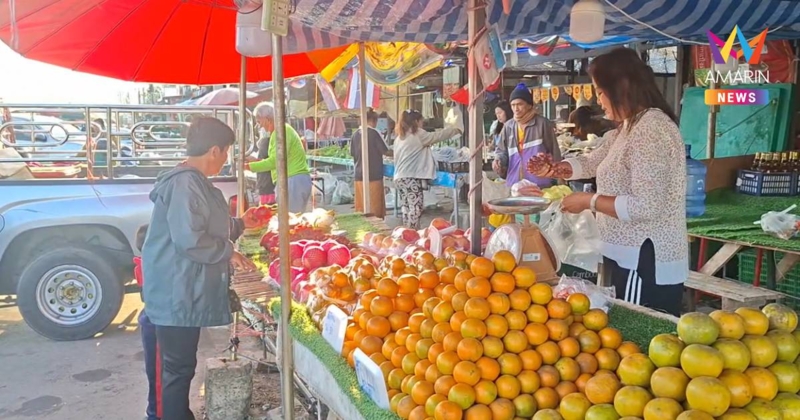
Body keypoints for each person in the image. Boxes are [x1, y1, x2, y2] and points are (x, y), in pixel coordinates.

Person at [527, 47, 687, 316]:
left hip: (645, 258)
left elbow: (647, 206)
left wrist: (588, 201)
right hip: (628, 255)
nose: (598, 100)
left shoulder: (651, 128)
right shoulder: (628, 127)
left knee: (638, 333)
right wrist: (555, 169)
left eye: (600, 92)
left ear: (621, 88)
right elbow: (594, 160)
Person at [141, 117, 257, 420]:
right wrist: (228, 252)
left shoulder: (193, 181)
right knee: (176, 371)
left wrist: (242, 224)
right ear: (215, 150)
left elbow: (204, 224)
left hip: (183, 292)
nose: (226, 159)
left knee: (181, 368)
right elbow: (190, 240)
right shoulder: (185, 183)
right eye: (227, 151)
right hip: (174, 294)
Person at [393, 109, 462, 229]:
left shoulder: (399, 138)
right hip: (410, 178)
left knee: (406, 208)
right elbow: (437, 136)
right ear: (416, 121)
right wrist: (455, 130)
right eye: (421, 122)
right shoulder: (418, 134)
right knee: (416, 209)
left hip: (399, 177)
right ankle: (412, 234)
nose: (422, 125)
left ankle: (405, 233)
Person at [246, 102, 312, 213]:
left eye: (259, 122)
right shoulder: (281, 131)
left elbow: (275, 162)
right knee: (292, 218)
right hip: (294, 180)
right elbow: (277, 159)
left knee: (290, 219)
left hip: (292, 181)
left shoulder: (280, 132)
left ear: (267, 119)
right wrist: (256, 162)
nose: (259, 126)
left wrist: (249, 167)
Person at [492, 83, 560, 188]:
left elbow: (554, 151)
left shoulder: (542, 124)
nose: (516, 108)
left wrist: (559, 177)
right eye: (513, 105)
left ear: (529, 105)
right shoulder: (508, 126)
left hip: (539, 183)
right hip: (514, 183)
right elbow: (501, 150)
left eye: (520, 104)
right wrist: (498, 160)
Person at [350, 109, 390, 218]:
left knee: (361, 207)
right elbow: (385, 151)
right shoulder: (374, 133)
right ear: (373, 120)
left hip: (359, 175)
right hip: (373, 175)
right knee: (375, 208)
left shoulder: (355, 134)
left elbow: (352, 153)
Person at [255, 126, 276, 205]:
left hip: (266, 183)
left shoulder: (265, 142)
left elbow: (264, 160)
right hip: (270, 183)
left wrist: (252, 163)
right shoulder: (273, 142)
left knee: (267, 208)